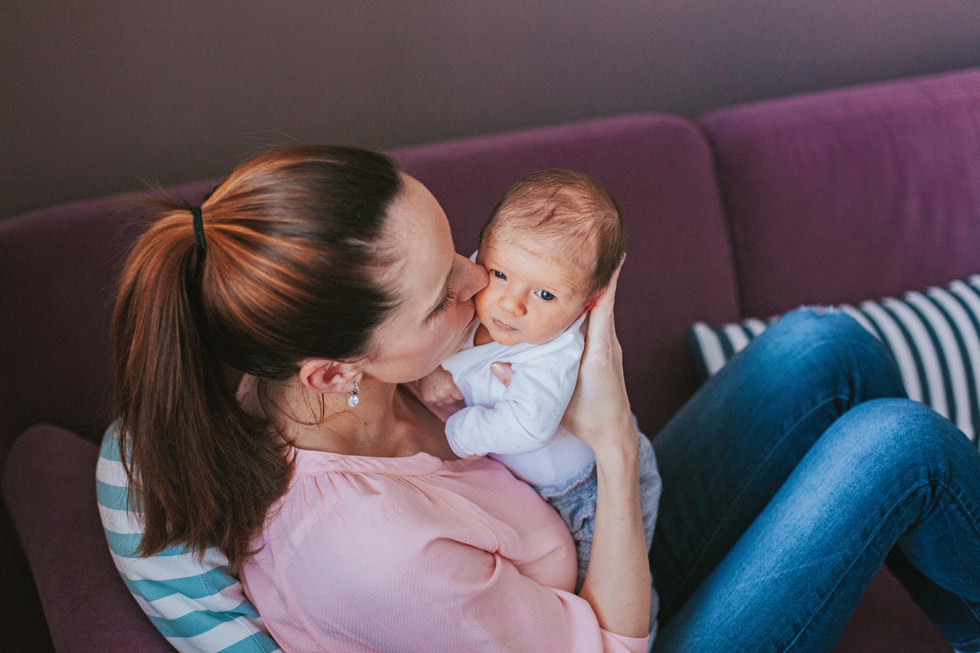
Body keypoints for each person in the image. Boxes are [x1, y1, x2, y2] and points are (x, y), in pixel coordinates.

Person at [103, 144, 980, 652]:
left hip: (592, 542)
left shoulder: (330, 365)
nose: (481, 281)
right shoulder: (366, 546)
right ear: (336, 372)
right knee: (900, 447)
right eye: (445, 293)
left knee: (821, 348)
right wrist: (610, 437)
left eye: (462, 246)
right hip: (610, 633)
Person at [417, 169, 660, 592]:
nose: (510, 304)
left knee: (597, 589)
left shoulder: (555, 352)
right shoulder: (475, 280)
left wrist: (459, 431)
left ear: (588, 303)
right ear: (483, 249)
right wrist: (438, 368)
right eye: (500, 274)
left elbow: (529, 426)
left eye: (544, 295)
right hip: (540, 482)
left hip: (586, 491)